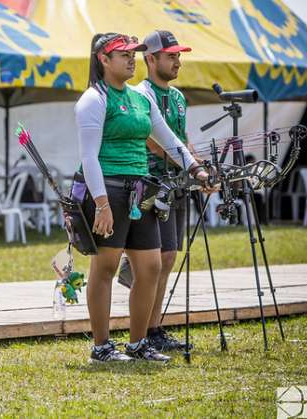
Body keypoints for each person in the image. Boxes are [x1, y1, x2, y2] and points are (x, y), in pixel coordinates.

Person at [75, 33, 209, 362]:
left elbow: (171, 140)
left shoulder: (140, 98)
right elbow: (89, 157)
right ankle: (102, 348)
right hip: (109, 190)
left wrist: (197, 171)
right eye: (123, 55)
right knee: (104, 268)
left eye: (133, 54)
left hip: (140, 191)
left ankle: (137, 345)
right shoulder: (93, 99)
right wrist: (102, 204)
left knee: (149, 266)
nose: (132, 59)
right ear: (103, 60)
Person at [117, 30, 195, 351]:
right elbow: (151, 137)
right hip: (151, 186)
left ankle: (154, 328)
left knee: (170, 256)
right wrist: (183, 162)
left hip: (177, 185)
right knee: (157, 260)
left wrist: (198, 166)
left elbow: (180, 138)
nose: (177, 61)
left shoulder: (178, 98)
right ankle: (146, 330)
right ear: (151, 59)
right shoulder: (140, 93)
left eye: (179, 56)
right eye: (171, 56)